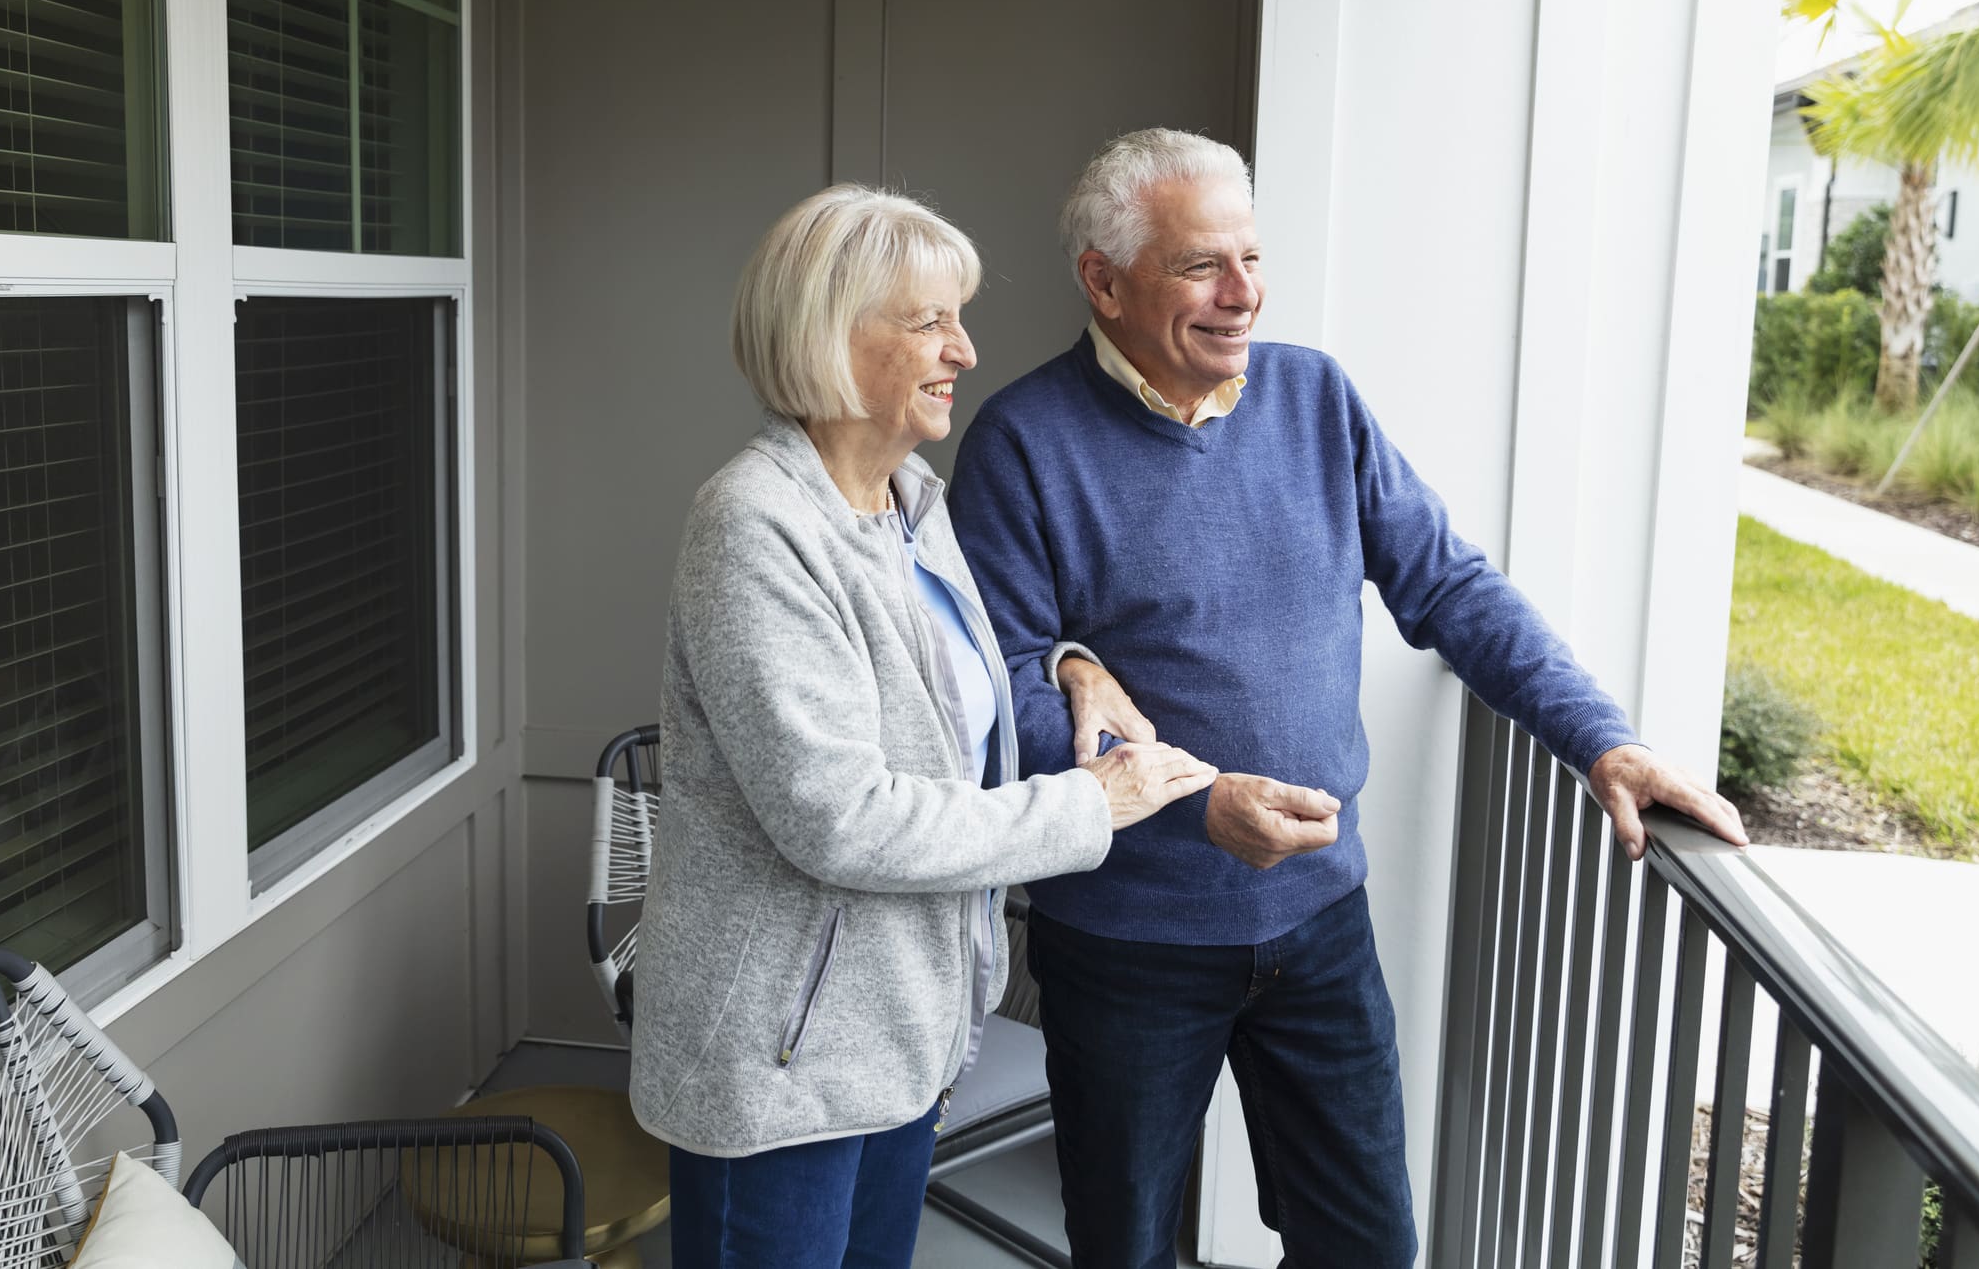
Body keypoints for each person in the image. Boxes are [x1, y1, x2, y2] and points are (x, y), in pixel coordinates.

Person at [946, 129, 1749, 1269]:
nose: (1242, 297)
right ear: (1103, 279)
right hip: (1128, 943)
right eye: (1199, 268)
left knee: (1365, 1246)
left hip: (1320, 926)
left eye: (1252, 260)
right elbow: (1007, 699)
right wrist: (1196, 803)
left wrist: (1599, 740)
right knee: (1122, 1250)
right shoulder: (1022, 443)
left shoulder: (1314, 398)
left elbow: (1450, 589)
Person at [629, 183, 1219, 1269]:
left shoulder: (910, 498)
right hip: (782, 1062)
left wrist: (1066, 667)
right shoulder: (753, 526)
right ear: (829, 334)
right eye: (929, 321)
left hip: (902, 1036)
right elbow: (842, 819)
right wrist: (1092, 804)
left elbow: (949, 684)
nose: (963, 348)